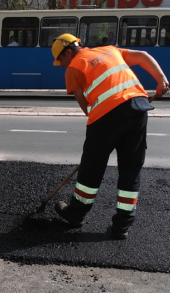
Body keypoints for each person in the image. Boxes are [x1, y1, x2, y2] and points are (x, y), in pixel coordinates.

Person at [51, 33, 169, 240]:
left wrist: (100, 133)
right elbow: (142, 56)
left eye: (60, 60)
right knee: (130, 169)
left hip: (107, 115)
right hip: (138, 107)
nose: (61, 66)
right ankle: (122, 226)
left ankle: (76, 213)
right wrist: (161, 80)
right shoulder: (110, 50)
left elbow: (85, 106)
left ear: (68, 53)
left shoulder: (73, 68)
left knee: (92, 167)